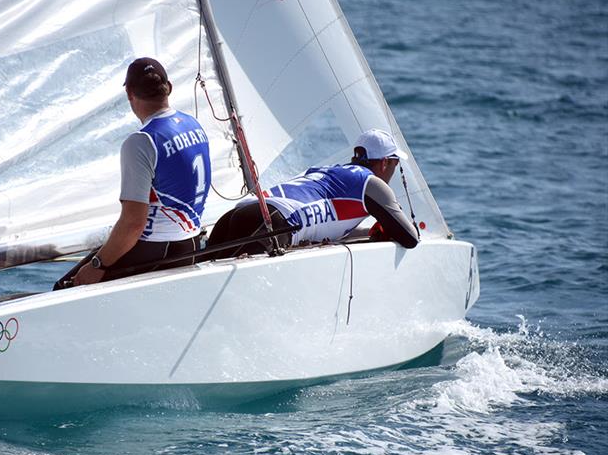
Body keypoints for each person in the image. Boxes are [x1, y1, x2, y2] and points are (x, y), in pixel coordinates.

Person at [54, 58, 211, 289]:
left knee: (63, 290)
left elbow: (133, 223)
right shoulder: (193, 124)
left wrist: (98, 265)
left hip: (153, 249)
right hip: (189, 246)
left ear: (129, 93)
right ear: (169, 87)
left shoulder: (142, 141)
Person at [206, 129, 419, 258]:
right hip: (270, 224)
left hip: (240, 214)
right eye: (395, 164)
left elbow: (332, 225)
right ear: (384, 163)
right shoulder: (371, 184)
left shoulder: (330, 171)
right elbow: (410, 238)